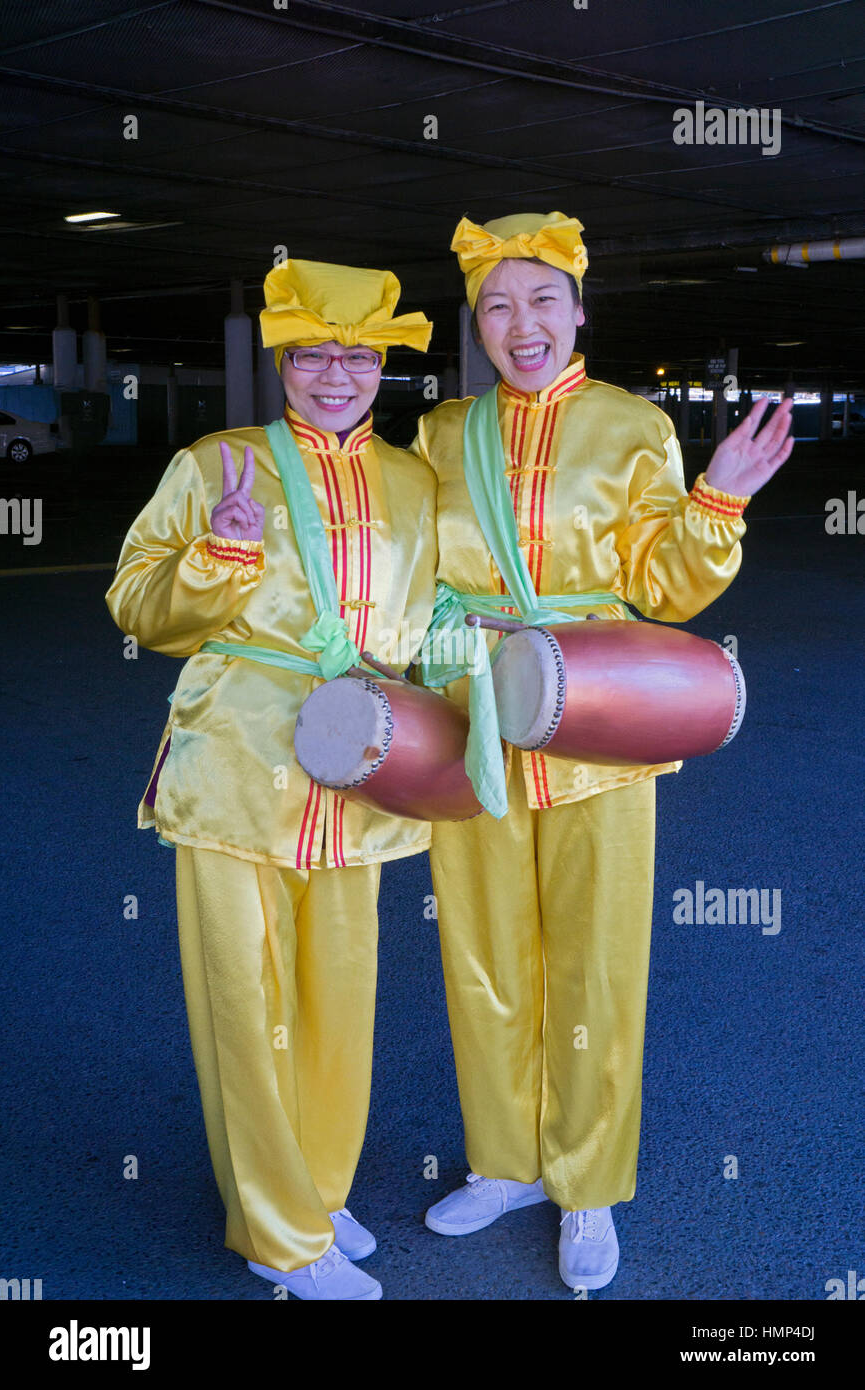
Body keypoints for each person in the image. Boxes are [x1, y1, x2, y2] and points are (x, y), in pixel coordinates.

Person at [411, 211, 793, 1293]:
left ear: (578, 310)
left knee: (596, 958)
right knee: (480, 952)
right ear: (476, 323)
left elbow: (665, 585)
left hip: (596, 720)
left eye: (541, 301)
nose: (519, 324)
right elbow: (402, 571)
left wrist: (717, 494)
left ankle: (585, 1184)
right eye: (497, 305)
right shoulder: (443, 436)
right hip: (471, 713)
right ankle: (504, 1161)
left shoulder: (631, 426)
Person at [105, 258, 436, 1300]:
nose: (333, 375)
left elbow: (435, 622)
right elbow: (136, 605)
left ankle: (317, 1191)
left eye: (354, 356)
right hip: (237, 773)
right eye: (311, 355)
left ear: (378, 366)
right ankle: (276, 1234)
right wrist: (220, 555)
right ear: (281, 361)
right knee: (244, 1007)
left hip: (359, 771)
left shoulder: (413, 481)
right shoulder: (216, 463)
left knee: (342, 999)